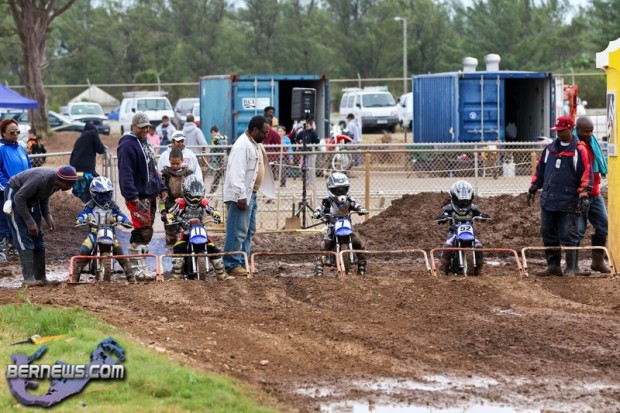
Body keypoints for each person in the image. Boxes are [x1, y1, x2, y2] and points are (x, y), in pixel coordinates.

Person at [527, 116, 593, 276]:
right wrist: (533, 187)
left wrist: (584, 193)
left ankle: (572, 267)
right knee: (548, 233)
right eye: (557, 130)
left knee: (569, 234)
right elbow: (540, 170)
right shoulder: (549, 149)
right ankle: (553, 266)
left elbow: (586, 173)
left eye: (562, 130)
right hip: (549, 200)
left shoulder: (579, 150)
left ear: (570, 129)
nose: (558, 133)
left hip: (568, 201)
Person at [4, 166, 78, 285]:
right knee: (23, 236)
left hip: (29, 198)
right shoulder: (40, 179)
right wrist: (29, 221)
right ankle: (28, 279)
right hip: (16, 194)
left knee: (38, 239)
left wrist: (47, 215)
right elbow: (19, 198)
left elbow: (43, 196)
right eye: (69, 185)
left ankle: (41, 277)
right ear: (61, 180)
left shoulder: (56, 183)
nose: (70, 188)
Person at [222, 115, 276, 276]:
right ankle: (231, 264)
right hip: (241, 196)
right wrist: (241, 195)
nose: (266, 135)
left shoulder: (254, 144)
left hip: (251, 193)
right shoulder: (242, 146)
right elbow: (236, 173)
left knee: (248, 230)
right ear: (254, 130)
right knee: (237, 231)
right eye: (264, 132)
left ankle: (242, 261)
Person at [117, 112, 168, 280]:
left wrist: (161, 187)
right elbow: (125, 172)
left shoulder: (146, 143)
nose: (145, 130)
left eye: (147, 127)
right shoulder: (127, 145)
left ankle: (141, 266)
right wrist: (132, 195)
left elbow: (153, 168)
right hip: (138, 195)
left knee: (147, 230)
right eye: (141, 127)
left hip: (150, 193)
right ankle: (135, 269)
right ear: (133, 126)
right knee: (142, 230)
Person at [71, 176, 135, 283]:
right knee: (84, 250)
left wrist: (125, 221)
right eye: (101, 195)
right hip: (94, 233)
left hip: (110, 232)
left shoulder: (113, 206)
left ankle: (131, 277)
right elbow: (83, 214)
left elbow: (119, 215)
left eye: (107, 195)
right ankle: (74, 278)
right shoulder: (90, 205)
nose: (105, 198)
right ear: (94, 194)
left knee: (119, 252)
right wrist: (81, 219)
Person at [168, 175, 229, 280]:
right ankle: (176, 276)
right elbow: (170, 213)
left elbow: (212, 210)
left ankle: (222, 275)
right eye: (192, 196)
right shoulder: (180, 203)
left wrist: (217, 215)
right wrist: (172, 218)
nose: (195, 199)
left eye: (198, 196)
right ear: (185, 192)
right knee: (178, 248)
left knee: (213, 248)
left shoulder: (204, 203)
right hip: (186, 232)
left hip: (200, 231)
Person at [574, 116, 611, 273]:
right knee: (578, 230)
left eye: (591, 131)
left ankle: (598, 262)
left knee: (604, 224)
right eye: (586, 132)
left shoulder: (593, 143)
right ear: (577, 130)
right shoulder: (574, 145)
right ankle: (573, 266)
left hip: (595, 193)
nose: (589, 134)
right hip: (580, 195)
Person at [312, 172, 367, 276]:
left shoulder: (349, 199)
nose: (340, 192)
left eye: (343, 189)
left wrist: (360, 209)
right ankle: (319, 268)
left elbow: (356, 204)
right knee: (325, 244)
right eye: (337, 190)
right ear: (331, 189)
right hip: (333, 226)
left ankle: (362, 265)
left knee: (359, 242)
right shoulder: (327, 200)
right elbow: (321, 208)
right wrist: (317, 213)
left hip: (347, 226)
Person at [435, 180, 490, 276]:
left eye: (466, 201)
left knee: (478, 246)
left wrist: (482, 216)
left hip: (470, 233)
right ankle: (443, 268)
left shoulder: (473, 208)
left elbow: (479, 214)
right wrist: (442, 217)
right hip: (454, 233)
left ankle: (479, 269)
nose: (463, 204)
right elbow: (444, 214)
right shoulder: (448, 208)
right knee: (448, 246)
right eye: (460, 201)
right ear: (453, 197)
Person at [0, 118, 31, 263]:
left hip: (22, 191)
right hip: (5, 191)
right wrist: (6, 185)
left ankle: (14, 247)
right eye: (12, 132)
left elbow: (29, 168)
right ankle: (1, 250)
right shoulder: (1, 148)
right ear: (3, 133)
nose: (15, 135)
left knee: (18, 218)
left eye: (17, 132)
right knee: (3, 218)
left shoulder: (21, 148)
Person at [159, 148, 193, 245]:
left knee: (187, 231)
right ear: (169, 160)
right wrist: (162, 210)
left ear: (182, 161)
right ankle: (171, 250)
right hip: (170, 205)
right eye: (172, 163)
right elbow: (161, 196)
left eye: (177, 163)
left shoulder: (188, 174)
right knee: (171, 234)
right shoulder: (165, 175)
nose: (175, 166)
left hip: (185, 205)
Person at [70, 122, 107, 203]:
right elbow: (100, 149)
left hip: (75, 170)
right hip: (86, 171)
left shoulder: (80, 138)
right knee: (88, 195)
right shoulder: (92, 133)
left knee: (78, 194)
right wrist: (104, 148)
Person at [295, 119, 320, 186]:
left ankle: (310, 183)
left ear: (311, 125)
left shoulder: (313, 133)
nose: (306, 126)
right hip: (303, 152)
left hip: (311, 153)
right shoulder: (302, 132)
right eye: (306, 124)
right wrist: (299, 141)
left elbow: (317, 141)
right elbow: (297, 138)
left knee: (310, 168)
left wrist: (312, 146)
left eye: (308, 124)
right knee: (303, 167)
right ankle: (305, 182)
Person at [263, 117, 282, 185]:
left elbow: (278, 146)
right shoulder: (260, 132)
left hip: (271, 157)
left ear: (270, 125)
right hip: (263, 156)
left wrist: (276, 154)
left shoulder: (274, 134)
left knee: (270, 174)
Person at [208, 125, 227, 194]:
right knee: (226, 177)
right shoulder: (224, 138)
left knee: (217, 178)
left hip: (219, 161)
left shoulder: (215, 139)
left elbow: (211, 148)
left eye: (212, 134)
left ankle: (211, 192)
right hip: (226, 160)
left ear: (213, 132)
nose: (212, 135)